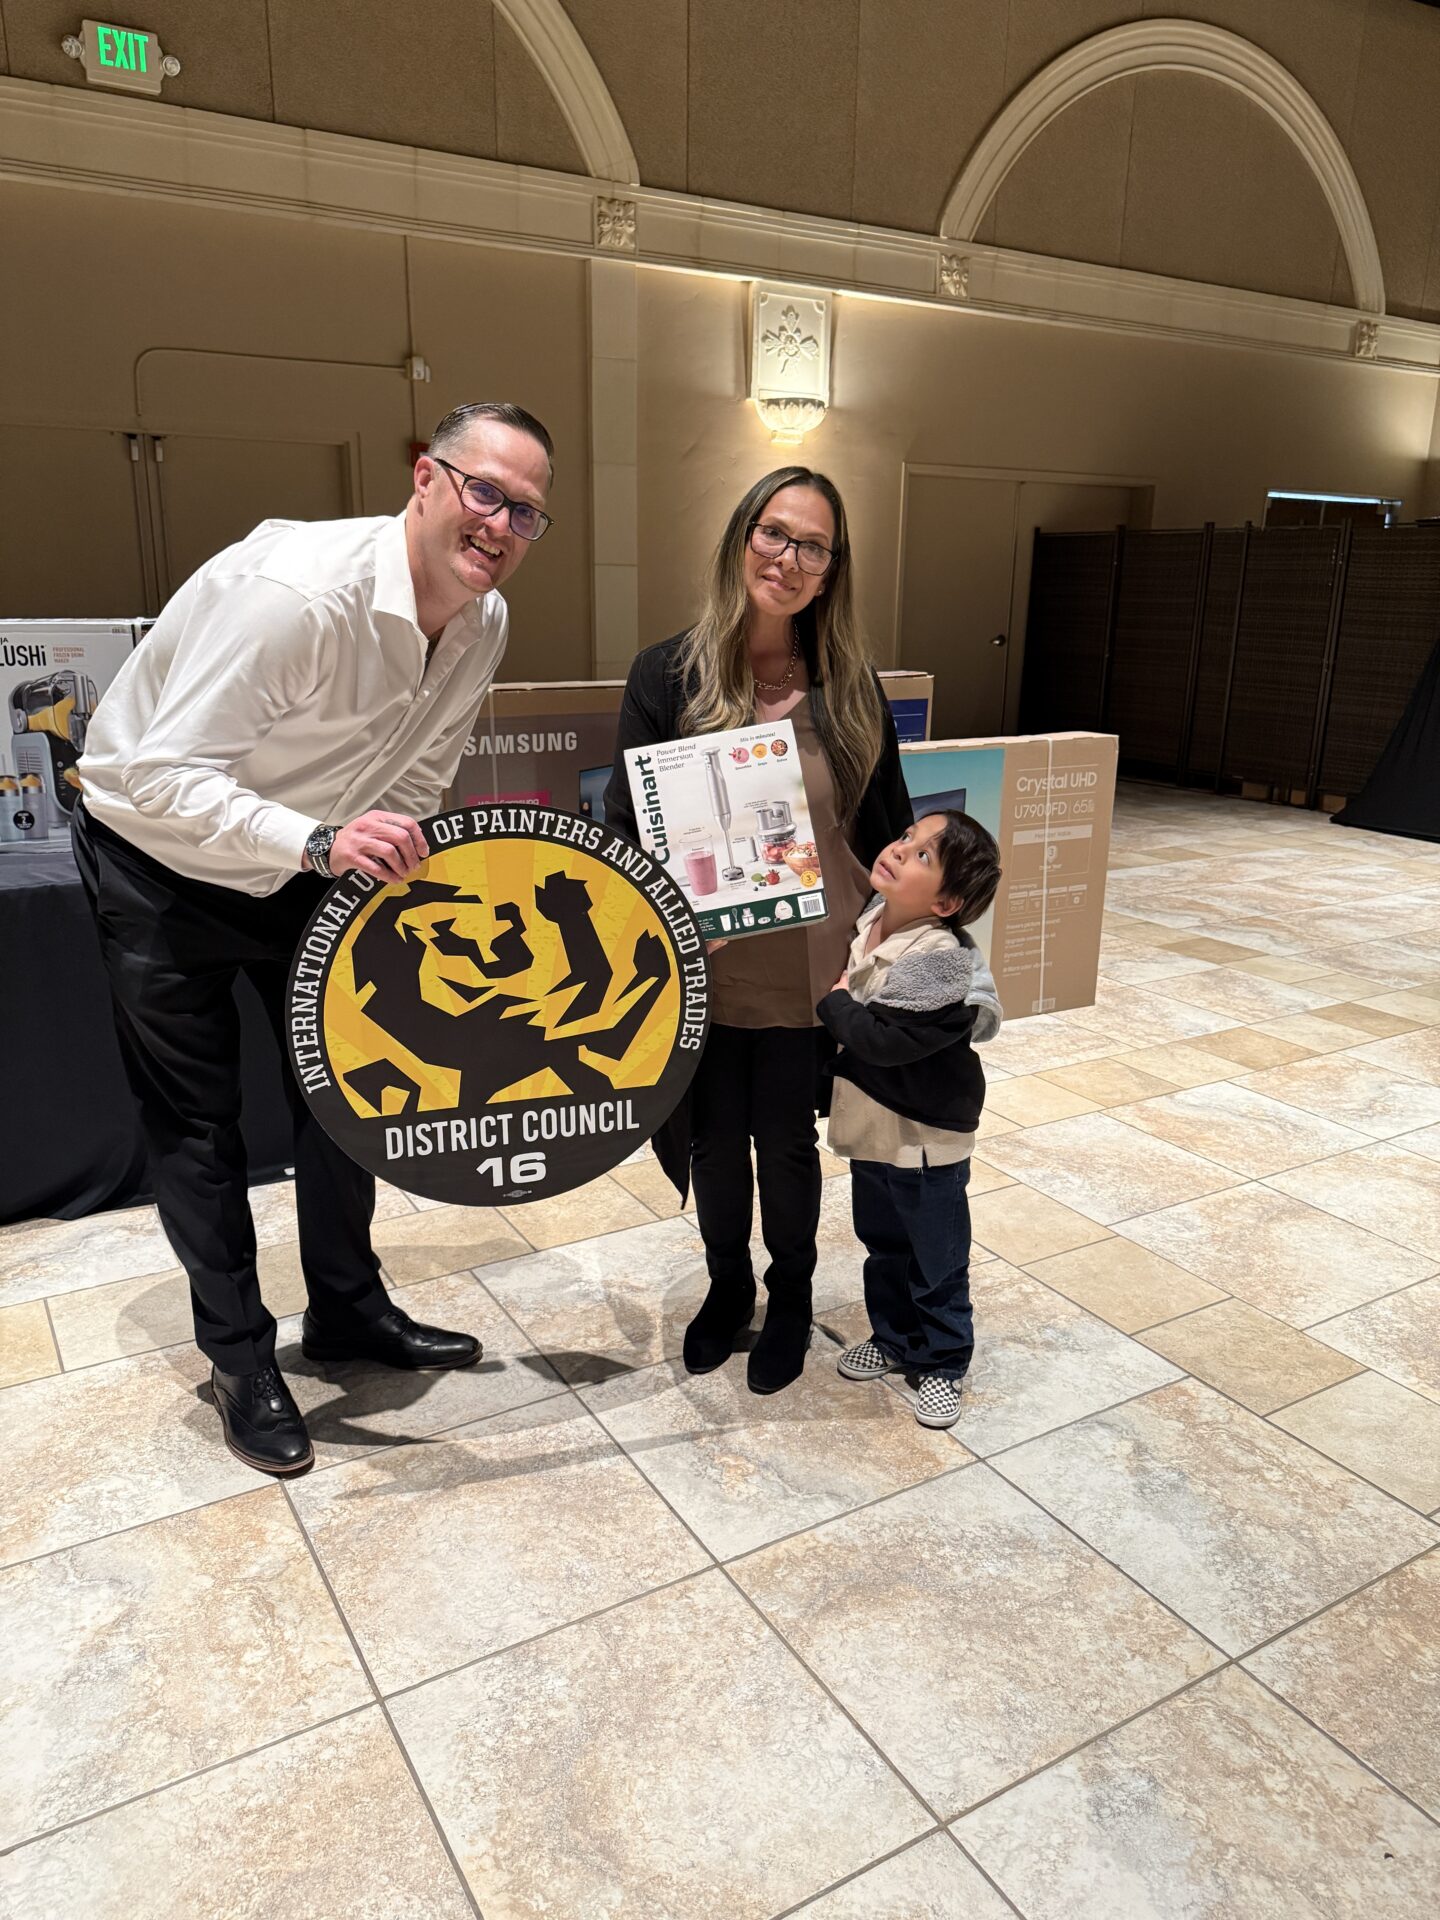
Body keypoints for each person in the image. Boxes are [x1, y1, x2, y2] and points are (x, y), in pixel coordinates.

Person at [74, 401, 555, 1475]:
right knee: (197, 1127)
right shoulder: (295, 598)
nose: (501, 524)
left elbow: (424, 765)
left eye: (526, 511)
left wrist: (377, 856)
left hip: (310, 860)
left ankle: (347, 1308)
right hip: (159, 862)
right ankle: (241, 1360)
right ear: (426, 479)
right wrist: (318, 841)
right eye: (485, 491)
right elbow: (158, 774)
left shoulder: (483, 620)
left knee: (350, 1096)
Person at [605, 466, 911, 1395]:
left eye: (814, 546)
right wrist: (669, 918)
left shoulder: (849, 687)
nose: (789, 558)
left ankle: (789, 1299)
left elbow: (890, 833)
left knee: (783, 1146)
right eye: (774, 533)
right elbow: (625, 825)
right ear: (742, 537)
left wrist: (897, 946)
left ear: (833, 569)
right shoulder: (667, 674)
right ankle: (727, 1286)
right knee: (711, 1143)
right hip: (702, 966)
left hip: (810, 973)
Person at [818, 811, 1002, 1428]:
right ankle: (894, 1338)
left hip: (924, 1137)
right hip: (876, 1128)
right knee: (884, 1244)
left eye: (924, 855)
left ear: (945, 904)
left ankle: (944, 1361)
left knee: (936, 1257)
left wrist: (835, 1003)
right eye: (905, 838)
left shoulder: (941, 960)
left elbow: (884, 1042)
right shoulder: (871, 918)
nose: (900, 850)